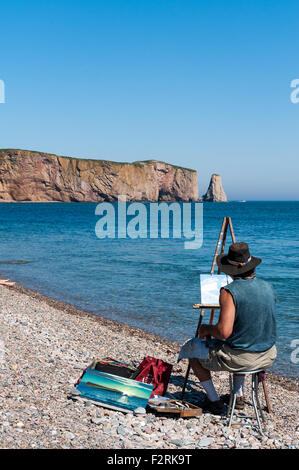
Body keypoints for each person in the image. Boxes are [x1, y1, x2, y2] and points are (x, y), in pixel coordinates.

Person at [178, 242, 277, 415]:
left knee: (191, 351)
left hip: (242, 359)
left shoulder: (229, 291)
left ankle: (214, 400)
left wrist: (206, 329)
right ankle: (238, 396)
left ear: (232, 268)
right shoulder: (268, 287)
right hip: (268, 355)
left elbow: (224, 332)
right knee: (238, 342)